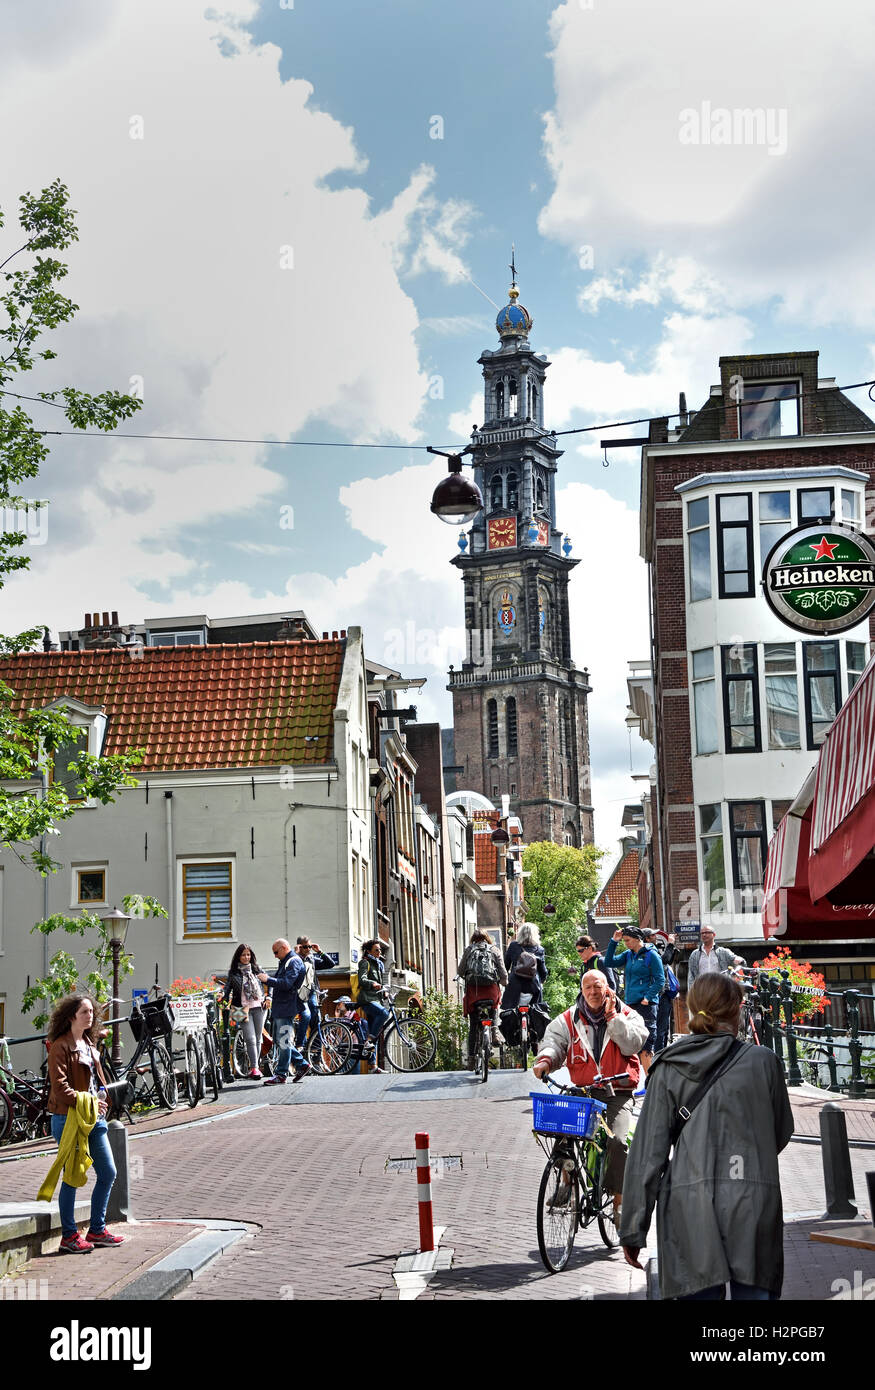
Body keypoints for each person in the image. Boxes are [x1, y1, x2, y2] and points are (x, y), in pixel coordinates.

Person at [620, 972, 794, 1301]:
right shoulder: (765, 1062)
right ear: (737, 1011)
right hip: (754, 1199)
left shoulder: (668, 1067)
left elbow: (648, 1155)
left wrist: (633, 1229)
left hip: (689, 1203)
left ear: (691, 1009)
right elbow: (780, 1133)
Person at [532, 971, 648, 1210]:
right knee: (558, 1131)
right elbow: (554, 1042)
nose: (593, 992)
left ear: (608, 988)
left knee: (618, 1141)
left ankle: (618, 1198)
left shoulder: (628, 1015)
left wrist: (614, 1019)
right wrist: (545, 1060)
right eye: (588, 988)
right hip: (584, 1091)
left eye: (598, 986)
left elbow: (633, 1044)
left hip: (618, 1091)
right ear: (582, 990)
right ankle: (566, 1182)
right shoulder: (568, 1019)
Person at [42, 993, 123, 1254]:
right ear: (70, 1017)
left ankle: (97, 1230)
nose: (91, 1016)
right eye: (85, 1012)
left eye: (91, 1012)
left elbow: (96, 1081)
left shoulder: (89, 1044)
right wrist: (89, 1100)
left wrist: (104, 1098)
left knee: (108, 1172)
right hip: (68, 1119)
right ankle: (69, 1236)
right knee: (73, 1176)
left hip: (93, 1118)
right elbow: (61, 1089)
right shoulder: (60, 1046)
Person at [604, 926, 665, 1073]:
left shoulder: (651, 955)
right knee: (632, 1043)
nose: (626, 943)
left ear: (638, 939)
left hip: (646, 1005)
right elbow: (609, 962)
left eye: (628, 940)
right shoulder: (628, 954)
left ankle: (651, 1084)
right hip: (631, 1005)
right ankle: (643, 1083)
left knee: (646, 1045)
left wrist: (647, 997)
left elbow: (660, 980)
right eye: (624, 941)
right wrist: (614, 941)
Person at [258, 939, 312, 1084]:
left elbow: (287, 983)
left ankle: (281, 1074)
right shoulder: (288, 961)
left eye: (276, 952)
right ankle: (302, 1064)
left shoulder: (293, 961)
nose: (275, 956)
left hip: (286, 1006)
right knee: (280, 1040)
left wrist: (267, 979)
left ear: (283, 948)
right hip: (283, 1006)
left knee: (283, 1041)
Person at [458, 929, 508, 1069]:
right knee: (494, 1007)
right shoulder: (495, 950)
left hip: (474, 994)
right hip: (491, 993)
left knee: (474, 1025)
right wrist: (504, 982)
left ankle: (472, 1059)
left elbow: (460, 971)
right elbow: (503, 972)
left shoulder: (469, 950)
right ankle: (494, 1031)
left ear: (473, 939)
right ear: (487, 938)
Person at [223, 943, 266, 1079]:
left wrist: (269, 997)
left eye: (248, 954)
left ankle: (256, 1066)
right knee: (250, 1038)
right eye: (243, 955)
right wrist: (221, 997)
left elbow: (269, 983)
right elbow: (227, 990)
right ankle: (254, 1068)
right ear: (238, 957)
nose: (246, 957)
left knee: (258, 1038)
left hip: (259, 1006)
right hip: (239, 1008)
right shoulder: (233, 972)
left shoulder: (257, 969)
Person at [295, 936, 335, 1048]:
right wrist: (296, 953)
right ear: (299, 947)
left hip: (311, 991)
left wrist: (320, 952)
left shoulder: (311, 959)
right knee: (305, 1017)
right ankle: (300, 1045)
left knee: (316, 1018)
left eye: (309, 947)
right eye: (305, 947)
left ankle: (315, 1049)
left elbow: (330, 964)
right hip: (299, 992)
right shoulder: (294, 959)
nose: (308, 949)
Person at [357, 940, 389, 1072]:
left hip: (376, 999)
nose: (379, 952)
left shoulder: (378, 964)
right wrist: (373, 983)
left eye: (380, 950)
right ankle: (369, 1040)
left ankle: (372, 1066)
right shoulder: (365, 962)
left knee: (373, 1032)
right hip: (367, 1000)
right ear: (369, 951)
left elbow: (379, 983)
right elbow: (362, 980)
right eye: (376, 950)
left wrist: (384, 992)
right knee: (384, 1013)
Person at [502, 921, 548, 1012]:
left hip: (515, 985)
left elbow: (506, 966)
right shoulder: (539, 949)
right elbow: (543, 971)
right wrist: (542, 980)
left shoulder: (513, 946)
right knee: (536, 1014)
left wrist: (504, 979)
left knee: (510, 1015)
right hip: (533, 986)